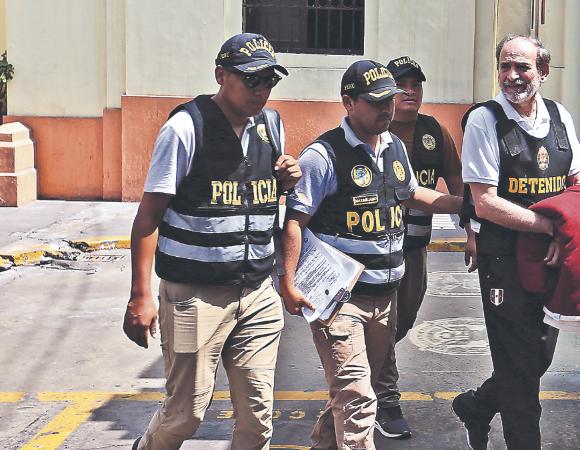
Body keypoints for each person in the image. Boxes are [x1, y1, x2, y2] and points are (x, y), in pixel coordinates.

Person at [122, 33, 300, 450]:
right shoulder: (186, 128)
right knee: (186, 414)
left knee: (258, 419)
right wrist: (140, 296)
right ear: (221, 75)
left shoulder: (271, 126)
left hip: (256, 293)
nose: (261, 90)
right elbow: (148, 217)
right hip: (194, 298)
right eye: (251, 80)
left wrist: (285, 180)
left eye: (269, 81)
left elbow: (262, 193)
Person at [279, 60, 463, 450]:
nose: (387, 109)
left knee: (350, 395)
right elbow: (295, 220)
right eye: (376, 101)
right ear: (348, 102)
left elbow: (412, 194)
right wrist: (288, 283)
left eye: (390, 100)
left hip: (386, 298)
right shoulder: (323, 155)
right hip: (339, 300)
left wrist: (462, 205)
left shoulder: (394, 147)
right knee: (360, 399)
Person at [452, 35, 580, 450]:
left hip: (550, 262)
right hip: (504, 262)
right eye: (505, 66)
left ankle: (476, 405)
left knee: (534, 360)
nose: (512, 76)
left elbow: (577, 186)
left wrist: (568, 235)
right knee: (518, 372)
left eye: (523, 67)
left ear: (542, 72)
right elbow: (486, 203)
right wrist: (549, 227)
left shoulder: (561, 117)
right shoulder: (484, 121)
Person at [371, 55, 477, 439]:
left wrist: (472, 231)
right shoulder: (372, 131)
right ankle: (385, 400)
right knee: (383, 323)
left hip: (415, 248)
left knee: (404, 320)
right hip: (374, 251)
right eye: (402, 84)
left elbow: (458, 186)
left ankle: (365, 370)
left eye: (416, 84)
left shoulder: (434, 133)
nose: (410, 91)